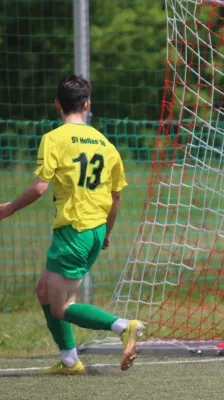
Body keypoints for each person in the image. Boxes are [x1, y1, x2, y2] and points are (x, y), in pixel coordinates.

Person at [0, 75, 145, 375]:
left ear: (57, 105)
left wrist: (9, 208)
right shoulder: (107, 145)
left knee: (61, 307)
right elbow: (115, 198)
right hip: (94, 230)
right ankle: (69, 360)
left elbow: (40, 188)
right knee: (43, 290)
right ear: (87, 105)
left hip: (73, 231)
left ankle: (123, 327)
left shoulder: (54, 139)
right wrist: (107, 233)